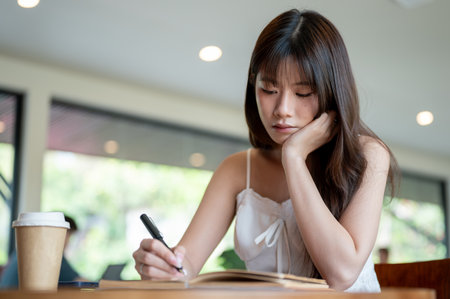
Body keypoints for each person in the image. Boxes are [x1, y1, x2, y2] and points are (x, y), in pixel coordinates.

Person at [132, 9, 398, 292]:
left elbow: (343, 274)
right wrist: (163, 268)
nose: (282, 110)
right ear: (253, 84)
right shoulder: (236, 169)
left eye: (303, 93)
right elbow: (185, 266)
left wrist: (293, 158)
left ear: (332, 93)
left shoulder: (369, 155)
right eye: (269, 89)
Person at [0, 215, 81, 288]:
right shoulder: (52, 254)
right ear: (63, 233)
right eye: (70, 237)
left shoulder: (20, 250)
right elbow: (83, 284)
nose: (68, 243)